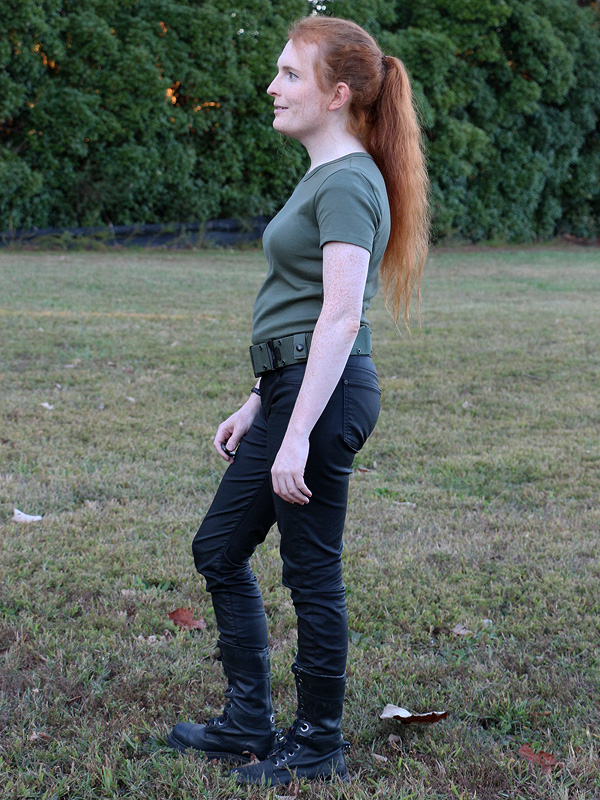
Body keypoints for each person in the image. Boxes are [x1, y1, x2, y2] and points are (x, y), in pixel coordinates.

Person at [167, 15, 430, 786]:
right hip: (294, 389)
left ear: (337, 93)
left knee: (310, 573)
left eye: (289, 74)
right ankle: (248, 722)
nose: (272, 87)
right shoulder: (325, 176)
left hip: (325, 395)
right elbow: (300, 304)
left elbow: (341, 317)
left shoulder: (347, 180)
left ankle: (317, 745)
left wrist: (296, 433)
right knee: (219, 549)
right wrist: (259, 400)